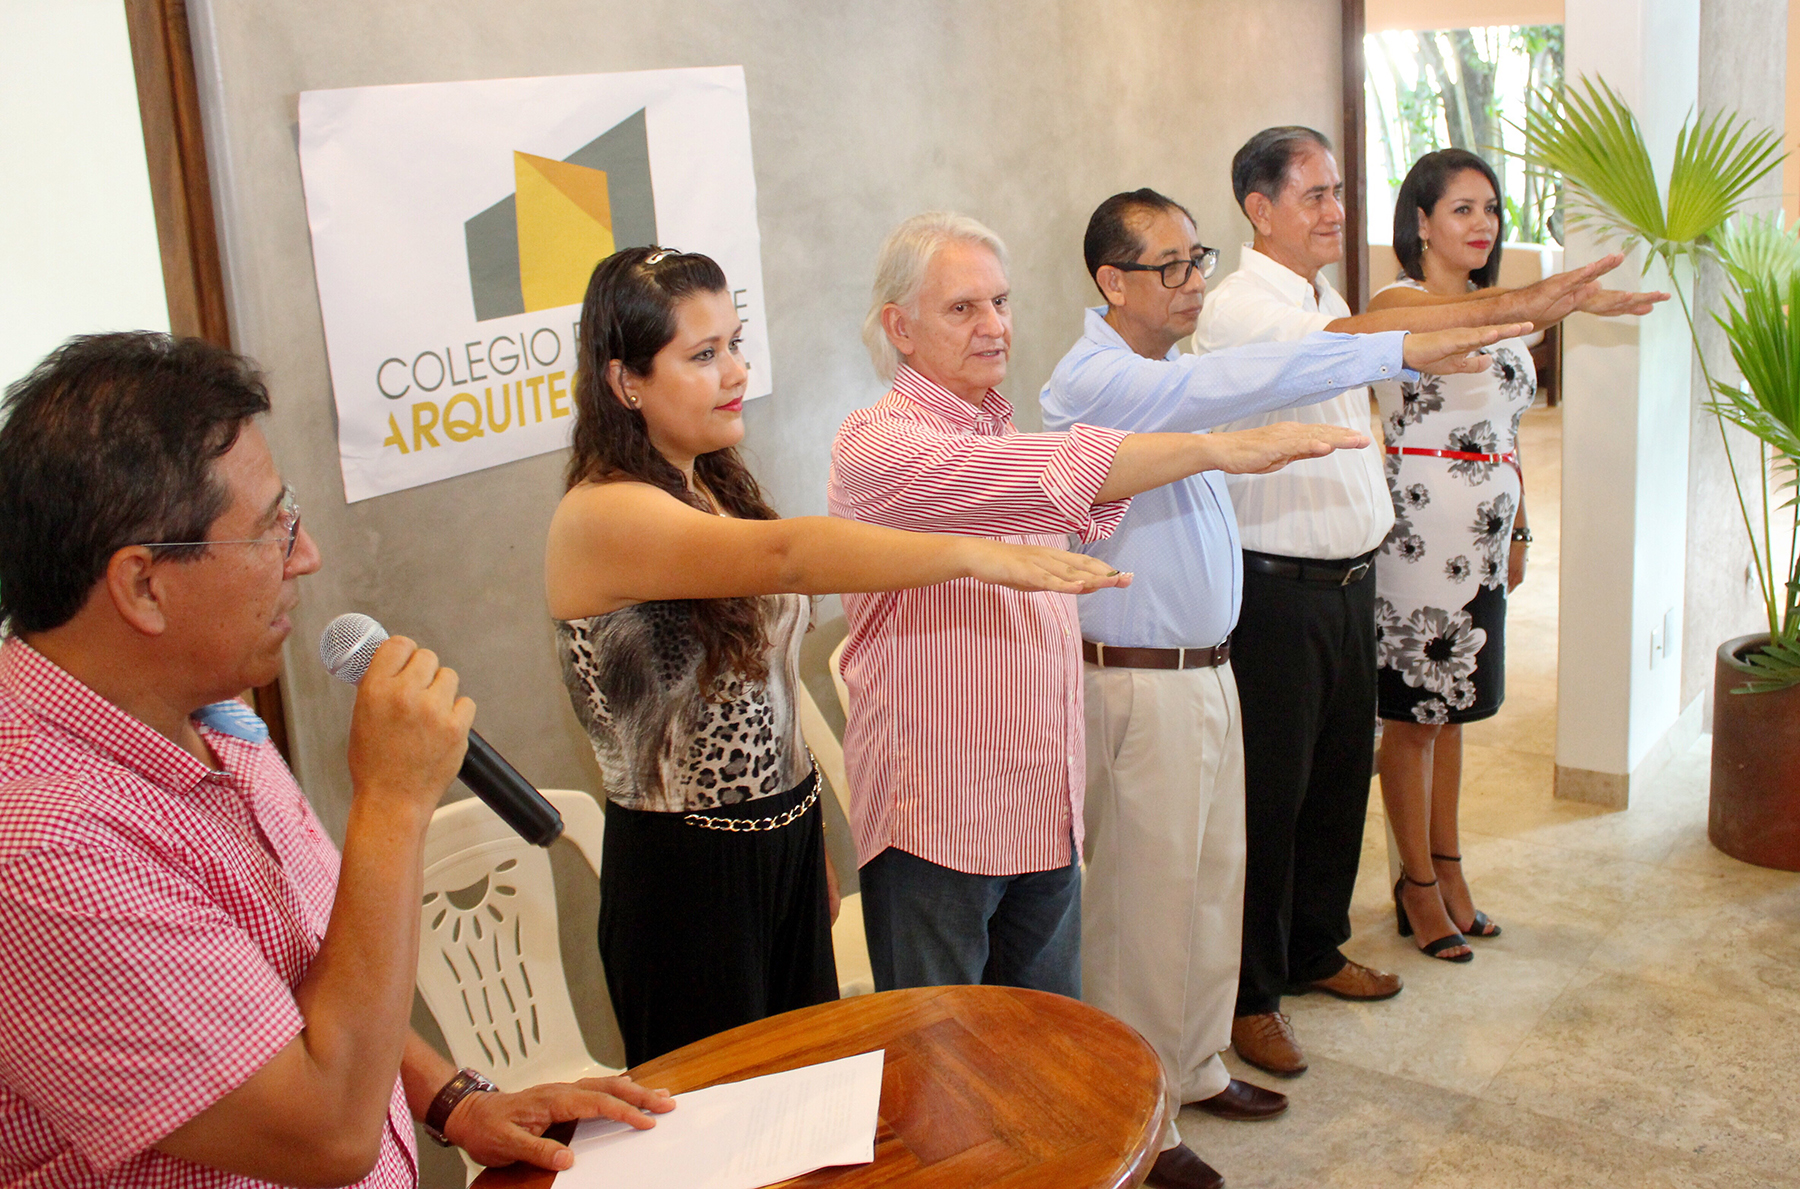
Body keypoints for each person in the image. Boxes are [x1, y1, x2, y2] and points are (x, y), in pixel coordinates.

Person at [0, 332, 673, 1189]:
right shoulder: (43, 850)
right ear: (142, 585)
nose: (306, 555)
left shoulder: (213, 712)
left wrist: (454, 1101)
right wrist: (392, 800)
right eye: (271, 531)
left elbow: (308, 973)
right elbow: (326, 1133)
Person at [1041, 188, 1524, 1189]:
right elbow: (1261, 373)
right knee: (1143, 910)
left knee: (1212, 882)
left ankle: (1195, 1064)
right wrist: (1396, 349)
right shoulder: (1098, 379)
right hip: (1138, 680)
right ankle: (1139, 1114)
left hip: (1207, 665)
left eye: (1197, 259)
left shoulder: (1166, 368)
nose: (1193, 281)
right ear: (1112, 282)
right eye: (1170, 266)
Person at [545, 246, 1132, 1068]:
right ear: (625, 381)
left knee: (811, 1101)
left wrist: (804, 827)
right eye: (703, 355)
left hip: (778, 839)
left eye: (735, 344)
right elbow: (790, 558)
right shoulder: (603, 512)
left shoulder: (714, 487)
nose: (735, 372)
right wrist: (977, 553)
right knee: (726, 1111)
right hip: (687, 872)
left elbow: (764, 694)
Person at [829, 209, 1383, 1033]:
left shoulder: (999, 425)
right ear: (899, 328)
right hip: (940, 817)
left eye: (1000, 302)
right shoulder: (880, 443)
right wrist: (1216, 447)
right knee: (947, 1065)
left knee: (1053, 1051)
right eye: (963, 308)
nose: (994, 326)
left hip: (1039, 803)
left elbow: (1071, 489)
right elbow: (1049, 471)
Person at [1194, 125, 1657, 1078]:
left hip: (1350, 573)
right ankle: (1251, 997)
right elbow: (1371, 342)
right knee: (1273, 797)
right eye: (1316, 194)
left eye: (1337, 191)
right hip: (1277, 584)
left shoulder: (1321, 293)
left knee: (1336, 783)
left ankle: (1315, 948)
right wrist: (1530, 302)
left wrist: (1526, 315)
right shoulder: (1245, 305)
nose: (1336, 210)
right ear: (1261, 209)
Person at [1370, 149, 1664, 960]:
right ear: (1420, 221)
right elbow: (1462, 325)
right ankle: (1416, 885)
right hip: (1420, 540)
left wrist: (1522, 528)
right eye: (1462, 209)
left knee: (1455, 713)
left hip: (1485, 539)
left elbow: (1503, 433)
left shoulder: (1495, 309)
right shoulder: (1400, 304)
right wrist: (1547, 301)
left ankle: (1449, 868)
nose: (1484, 224)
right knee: (1414, 718)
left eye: (1491, 209)